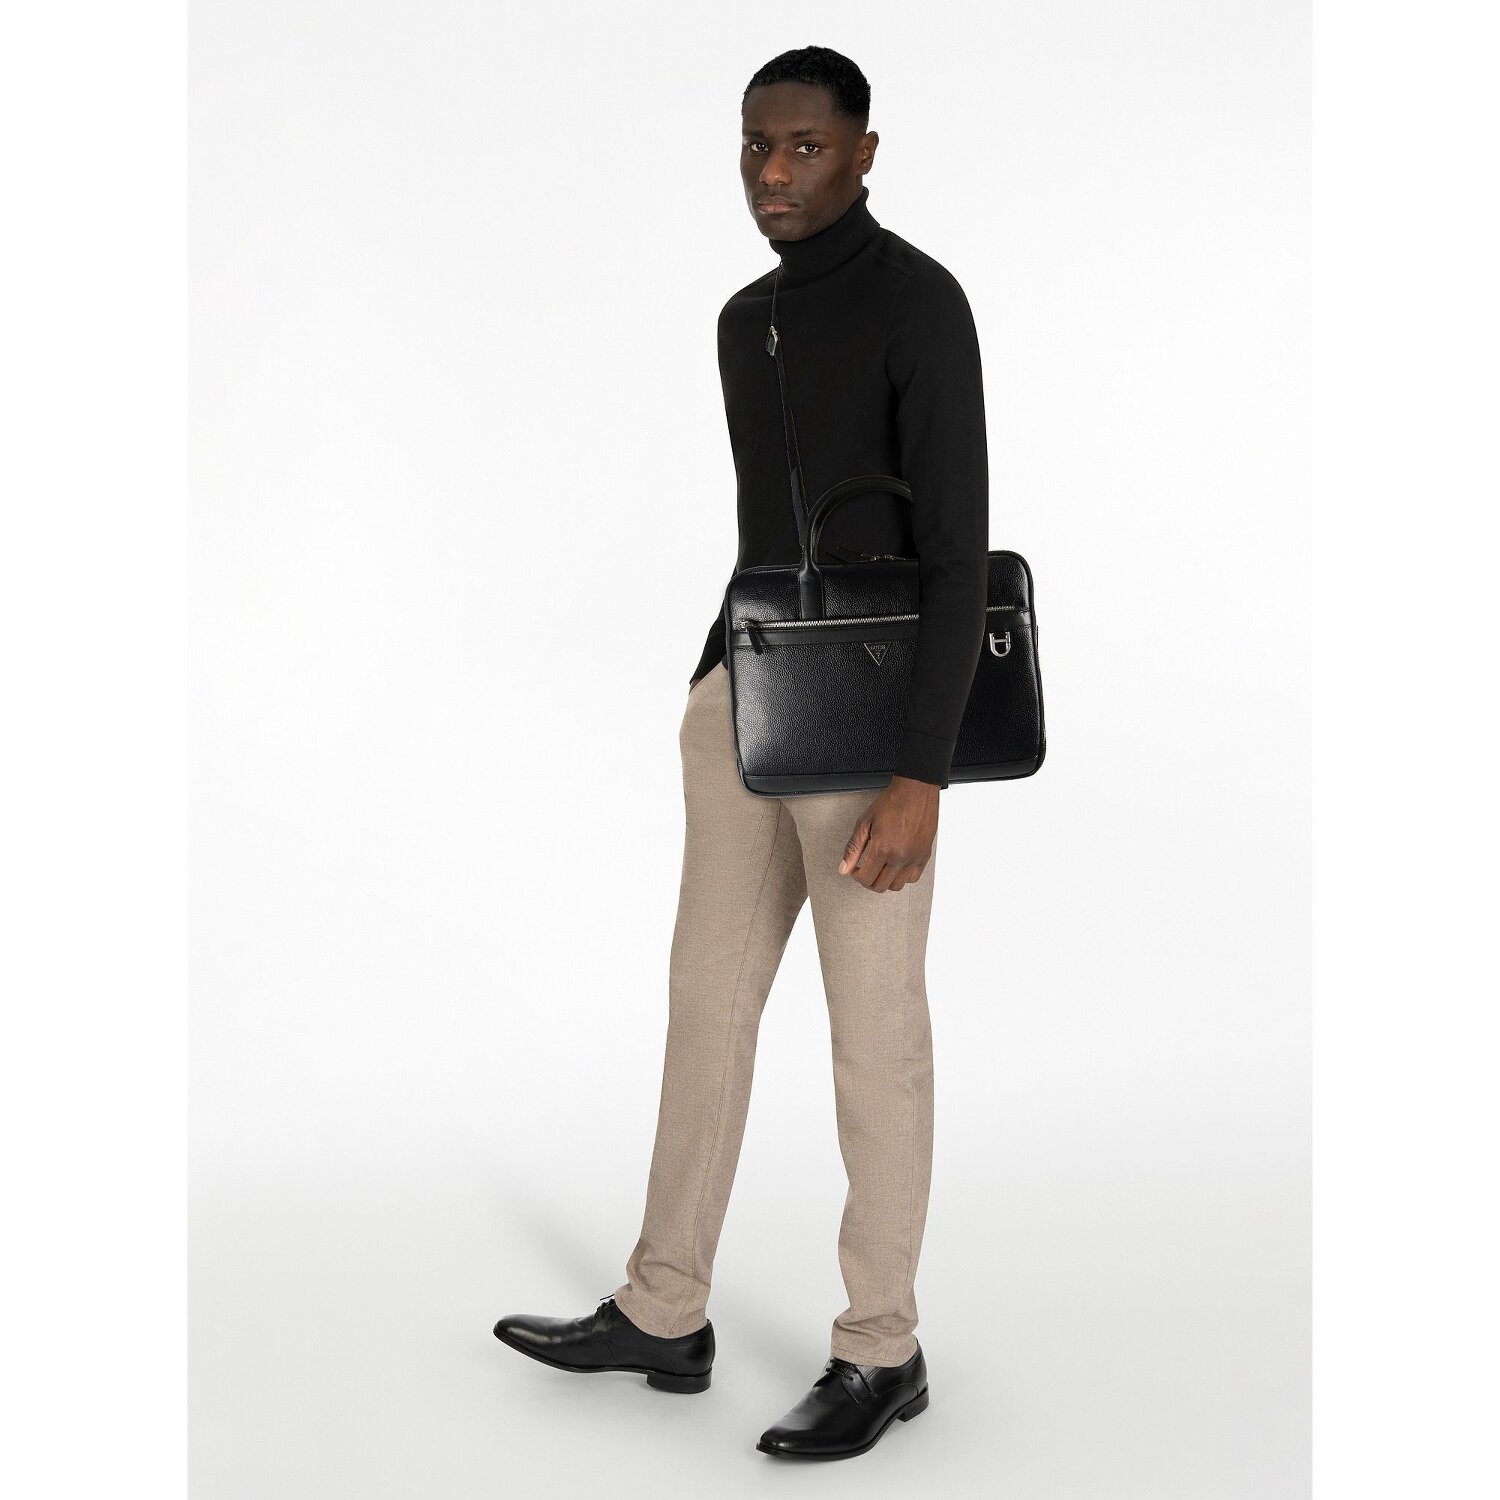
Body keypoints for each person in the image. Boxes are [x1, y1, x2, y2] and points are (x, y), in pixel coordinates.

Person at [493, 44, 989, 1462]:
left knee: (873, 1041)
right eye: (757, 145)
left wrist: (922, 773)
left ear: (865, 153)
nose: (775, 172)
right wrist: (716, 680)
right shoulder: (743, 319)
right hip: (744, 699)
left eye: (806, 147)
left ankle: (882, 1348)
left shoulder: (920, 303)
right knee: (705, 1005)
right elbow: (775, 528)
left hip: (869, 732)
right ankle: (665, 1309)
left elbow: (957, 550)